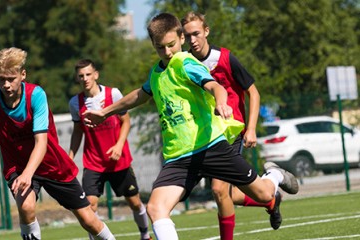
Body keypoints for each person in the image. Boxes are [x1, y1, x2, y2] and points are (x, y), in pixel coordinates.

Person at [82, 13, 298, 240]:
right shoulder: (156, 73)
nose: (167, 52)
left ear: (181, 39)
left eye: (171, 45)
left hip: (211, 147)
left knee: (263, 194)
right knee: (156, 208)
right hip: (179, 157)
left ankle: (274, 175)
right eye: (160, 48)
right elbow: (140, 95)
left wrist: (222, 103)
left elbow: (215, 86)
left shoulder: (185, 63)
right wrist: (105, 112)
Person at [0, 47, 116, 240]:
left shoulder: (36, 96)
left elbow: (41, 142)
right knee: (26, 206)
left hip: (50, 163)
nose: (6, 85)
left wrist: (28, 174)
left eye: (11, 79)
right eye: (1, 79)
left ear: (23, 75)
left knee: (88, 219)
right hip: (17, 164)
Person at [181, 11, 288, 232]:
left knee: (219, 190)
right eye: (187, 35)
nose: (192, 40)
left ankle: (274, 179)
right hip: (205, 136)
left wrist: (250, 129)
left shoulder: (225, 58)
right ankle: (270, 199)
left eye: (196, 33)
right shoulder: (184, 62)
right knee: (229, 194)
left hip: (231, 133)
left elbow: (254, 93)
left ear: (206, 31)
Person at [68, 59, 152, 240]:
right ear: (77, 78)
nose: (85, 79)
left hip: (118, 160)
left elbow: (126, 121)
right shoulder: (75, 103)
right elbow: (77, 132)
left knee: (135, 202)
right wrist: (70, 156)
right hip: (93, 162)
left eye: (88, 74)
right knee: (89, 206)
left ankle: (145, 235)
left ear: (96, 75)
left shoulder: (112, 94)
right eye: (81, 76)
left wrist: (119, 145)